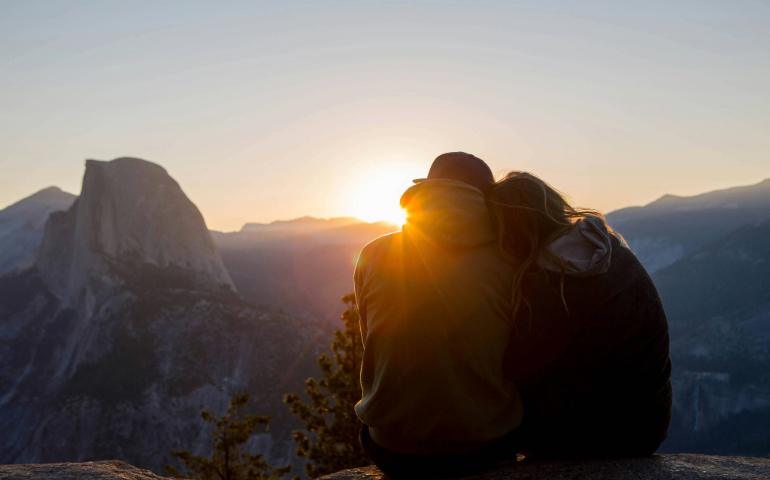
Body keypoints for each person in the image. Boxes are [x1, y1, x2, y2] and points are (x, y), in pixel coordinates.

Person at [353, 152, 522, 478]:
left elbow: (372, 344)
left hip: (394, 447)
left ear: (426, 192)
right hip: (484, 446)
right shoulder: (510, 261)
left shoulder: (372, 255)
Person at [488, 171, 672, 459]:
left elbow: (517, 366)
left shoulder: (555, 279)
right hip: (647, 423)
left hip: (594, 435)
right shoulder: (606, 249)